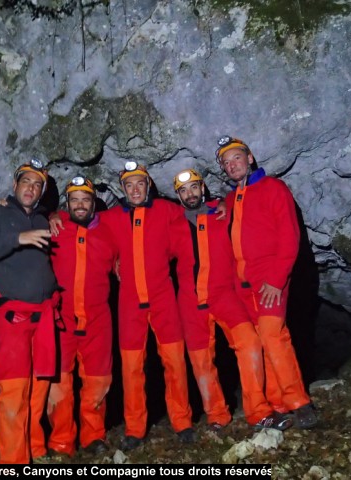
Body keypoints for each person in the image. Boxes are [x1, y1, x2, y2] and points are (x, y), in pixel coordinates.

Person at [173, 168, 289, 431]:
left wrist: (223, 203)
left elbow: (245, 210)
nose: (190, 194)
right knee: (202, 362)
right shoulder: (174, 223)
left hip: (224, 294)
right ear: (178, 196)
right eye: (183, 190)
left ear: (203, 188)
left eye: (194, 187)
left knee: (249, 343)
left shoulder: (222, 213)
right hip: (191, 303)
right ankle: (216, 415)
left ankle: (258, 411)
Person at [216, 136, 318, 429]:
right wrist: (221, 207)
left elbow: (290, 236)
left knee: (274, 337)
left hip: (269, 280)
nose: (231, 165)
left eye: (236, 158)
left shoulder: (273, 188)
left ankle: (299, 402)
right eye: (226, 162)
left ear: (250, 158)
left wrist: (276, 279)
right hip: (243, 286)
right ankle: (277, 404)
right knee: (261, 342)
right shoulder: (232, 198)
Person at [0, 159, 60, 464]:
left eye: (37, 185)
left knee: (40, 385)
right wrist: (17, 238)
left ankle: (35, 449)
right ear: (14, 184)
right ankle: (13, 462)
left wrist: (55, 216)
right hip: (11, 314)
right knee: (14, 387)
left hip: (44, 314)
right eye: (26, 182)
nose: (31, 188)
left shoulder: (43, 219)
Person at [99, 162, 195, 450]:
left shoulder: (167, 211)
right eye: (129, 185)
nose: (135, 189)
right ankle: (135, 428)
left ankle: (182, 421)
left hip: (163, 297)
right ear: (123, 189)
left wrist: (221, 208)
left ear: (148, 185)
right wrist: (52, 214)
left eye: (140, 183)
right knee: (131, 368)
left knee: (175, 362)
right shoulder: (112, 218)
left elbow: (196, 210)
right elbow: (83, 222)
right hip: (129, 302)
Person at [47, 175, 117, 456]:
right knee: (59, 384)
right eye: (74, 200)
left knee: (98, 381)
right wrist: (50, 214)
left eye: (85, 200)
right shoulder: (56, 227)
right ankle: (61, 441)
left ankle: (93, 437)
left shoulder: (108, 232)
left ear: (93, 203)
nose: (79, 205)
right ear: (67, 203)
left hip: (98, 319)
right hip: (61, 320)